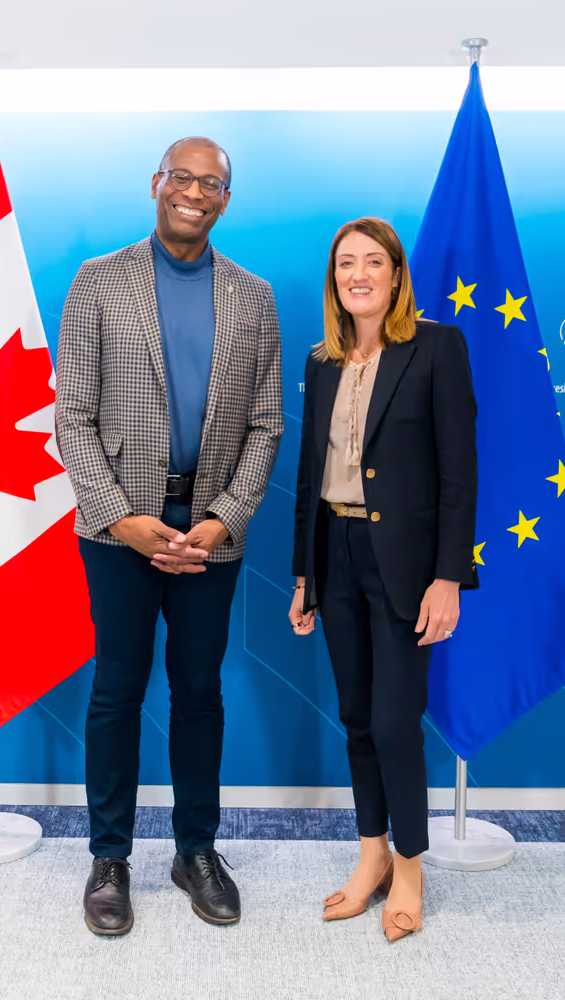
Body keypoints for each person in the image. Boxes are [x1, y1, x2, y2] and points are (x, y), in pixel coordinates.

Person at [56, 137, 283, 935]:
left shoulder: (252, 296)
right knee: (117, 692)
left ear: (225, 200)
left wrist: (223, 518)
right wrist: (120, 516)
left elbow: (266, 425)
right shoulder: (97, 281)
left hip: (210, 533)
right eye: (182, 178)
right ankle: (108, 858)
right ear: (157, 184)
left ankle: (195, 851)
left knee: (199, 694)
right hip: (118, 530)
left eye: (211, 183)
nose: (194, 191)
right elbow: (71, 415)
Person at [289, 217, 478, 941]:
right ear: (334, 280)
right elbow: (312, 475)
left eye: (373, 262)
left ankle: (408, 865)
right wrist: (304, 574)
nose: (358, 274)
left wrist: (446, 578)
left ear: (395, 275)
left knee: (396, 723)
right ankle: (368, 856)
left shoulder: (435, 348)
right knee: (357, 718)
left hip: (404, 565)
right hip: (334, 553)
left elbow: (458, 474)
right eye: (345, 264)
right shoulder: (320, 360)